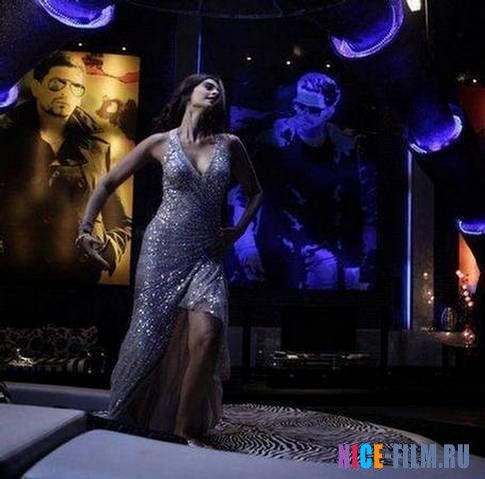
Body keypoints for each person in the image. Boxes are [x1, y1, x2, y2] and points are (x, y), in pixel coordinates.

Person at [76, 74, 263, 442]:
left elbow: (255, 192)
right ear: (187, 93)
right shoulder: (160, 143)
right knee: (146, 339)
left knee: (207, 336)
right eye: (207, 85)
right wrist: (85, 229)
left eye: (219, 88)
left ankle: (183, 431)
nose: (215, 90)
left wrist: (239, 230)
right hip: (162, 250)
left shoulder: (229, 144)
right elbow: (108, 182)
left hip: (207, 254)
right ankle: (124, 413)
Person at [229, 71, 376, 290]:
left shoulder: (347, 149)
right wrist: (246, 249)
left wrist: (354, 263)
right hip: (274, 250)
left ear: (329, 111)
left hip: (325, 254)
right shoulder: (271, 142)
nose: (304, 114)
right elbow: (244, 198)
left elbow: (359, 209)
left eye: (313, 110)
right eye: (299, 106)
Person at [0, 51, 131, 283]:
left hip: (81, 277)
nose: (65, 93)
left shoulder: (98, 149)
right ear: (37, 87)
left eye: (75, 87)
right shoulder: (6, 140)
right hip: (18, 275)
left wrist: (107, 250)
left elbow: (119, 220)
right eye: (56, 84)